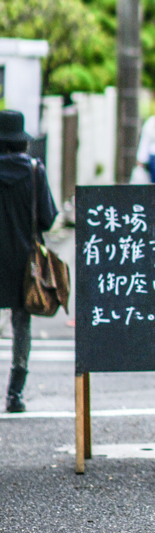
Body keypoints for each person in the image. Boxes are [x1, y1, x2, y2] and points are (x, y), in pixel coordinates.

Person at [0, 111, 58, 413]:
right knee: (21, 325)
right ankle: (14, 394)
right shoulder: (35, 171)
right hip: (25, 263)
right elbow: (47, 220)